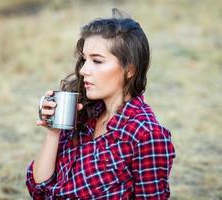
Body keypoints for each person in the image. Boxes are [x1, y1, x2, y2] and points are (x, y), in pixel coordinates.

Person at [26, 8, 175, 200]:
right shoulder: (84, 112)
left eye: (97, 61)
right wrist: (53, 132)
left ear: (129, 69)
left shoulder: (146, 135)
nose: (84, 70)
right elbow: (40, 188)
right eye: (84, 59)